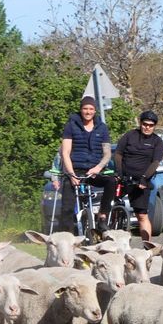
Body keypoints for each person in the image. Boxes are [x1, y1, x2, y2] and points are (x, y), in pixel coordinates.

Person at [57, 95, 116, 235]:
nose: (88, 112)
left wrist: (98, 168)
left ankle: (102, 217)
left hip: (94, 171)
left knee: (111, 182)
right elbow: (65, 152)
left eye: (91, 109)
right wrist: (71, 175)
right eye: (85, 108)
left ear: (95, 111)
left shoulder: (102, 128)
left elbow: (107, 153)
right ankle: (67, 237)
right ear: (80, 109)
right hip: (74, 170)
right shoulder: (71, 126)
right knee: (66, 207)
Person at [114, 109, 163, 242]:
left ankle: (147, 246)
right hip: (124, 178)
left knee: (142, 215)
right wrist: (119, 173)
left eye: (150, 125)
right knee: (109, 207)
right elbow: (118, 153)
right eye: (145, 124)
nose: (147, 127)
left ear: (154, 126)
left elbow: (155, 162)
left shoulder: (157, 141)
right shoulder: (130, 135)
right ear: (140, 123)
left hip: (141, 181)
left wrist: (144, 178)